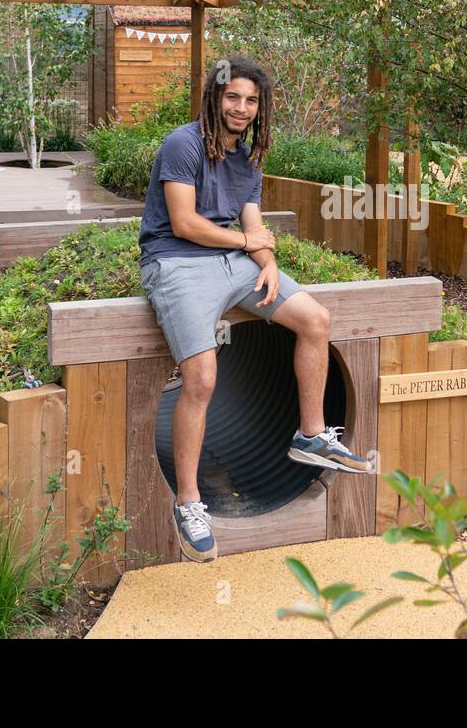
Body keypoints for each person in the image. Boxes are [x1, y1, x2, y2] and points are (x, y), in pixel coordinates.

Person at [138, 54, 374, 564]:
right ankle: (189, 502)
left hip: (235, 263)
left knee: (315, 318)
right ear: (214, 98)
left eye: (250, 100)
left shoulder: (247, 157)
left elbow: (252, 219)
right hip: (178, 264)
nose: (241, 108)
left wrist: (265, 259)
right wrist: (248, 241)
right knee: (201, 377)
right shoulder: (182, 144)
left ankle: (309, 436)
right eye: (232, 97)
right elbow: (183, 223)